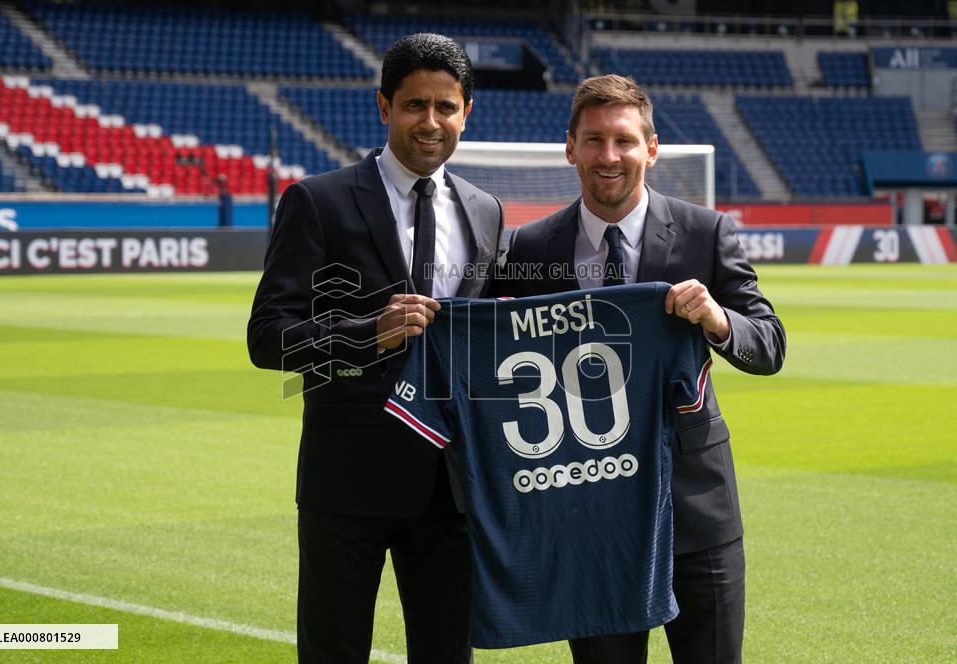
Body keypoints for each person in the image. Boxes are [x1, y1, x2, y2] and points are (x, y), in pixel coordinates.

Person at [498, 74, 786, 663]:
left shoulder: (708, 233)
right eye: (595, 140)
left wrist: (718, 320)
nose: (610, 156)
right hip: (587, 518)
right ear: (570, 147)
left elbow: (771, 344)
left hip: (696, 512)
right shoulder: (528, 249)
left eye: (625, 141)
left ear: (651, 149)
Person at [247, 33, 503, 663]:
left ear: (466, 111)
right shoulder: (318, 200)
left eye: (446, 107)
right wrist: (368, 333)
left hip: (451, 488)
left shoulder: (487, 211)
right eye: (415, 105)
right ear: (384, 107)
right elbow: (268, 336)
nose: (431, 122)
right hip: (348, 485)